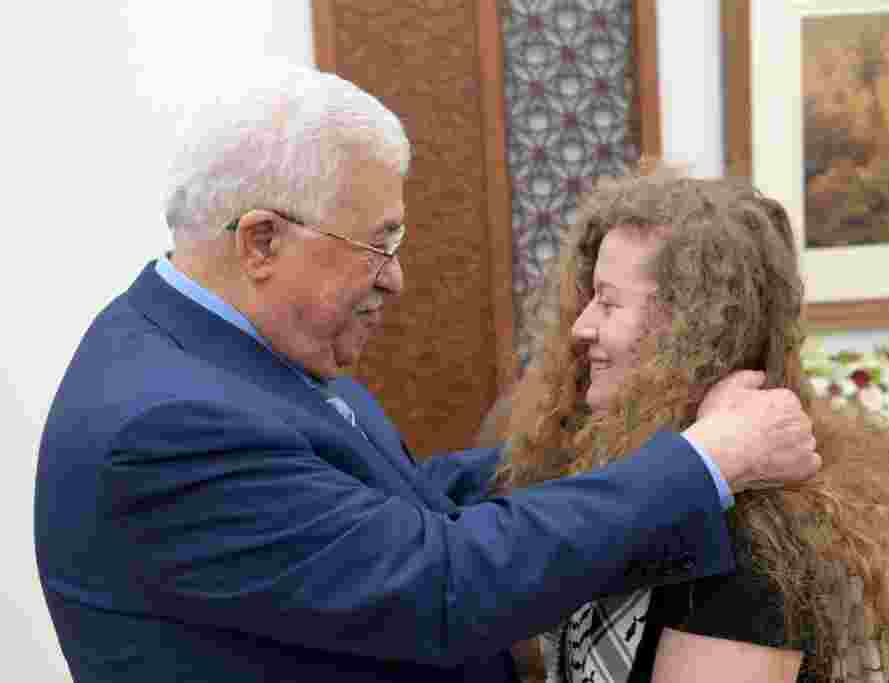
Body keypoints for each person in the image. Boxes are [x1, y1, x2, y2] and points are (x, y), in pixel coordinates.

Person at [34, 62, 818, 683]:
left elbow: (410, 504)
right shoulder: (170, 425)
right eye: (377, 244)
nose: (397, 279)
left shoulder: (224, 350)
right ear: (262, 242)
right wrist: (704, 462)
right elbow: (440, 578)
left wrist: (603, 453)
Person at [490, 165, 889, 683]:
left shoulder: (752, 537)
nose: (582, 326)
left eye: (608, 301)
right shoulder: (623, 478)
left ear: (687, 332)